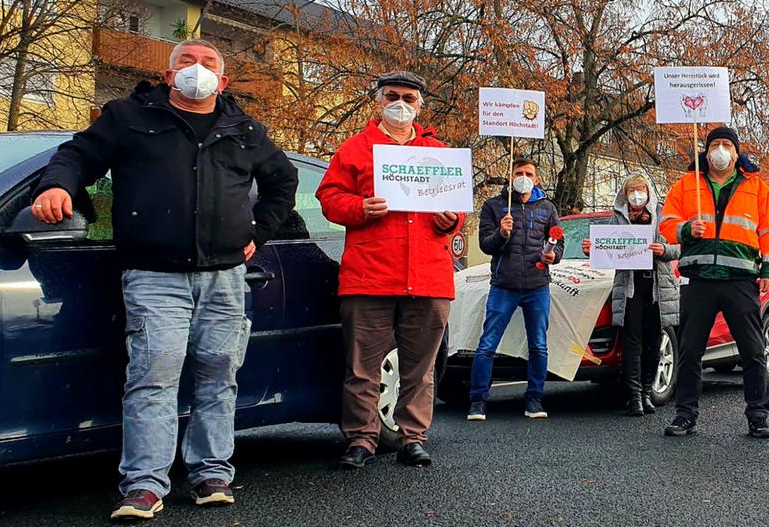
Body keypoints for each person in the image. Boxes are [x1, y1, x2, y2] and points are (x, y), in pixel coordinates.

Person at [30, 39, 298, 521]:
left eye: (209, 63)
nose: (198, 69)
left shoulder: (245, 129)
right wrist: (55, 185)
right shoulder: (128, 117)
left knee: (219, 376)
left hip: (225, 277)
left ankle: (212, 473)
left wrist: (258, 231)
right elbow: (76, 157)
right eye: (187, 62)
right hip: (154, 276)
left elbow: (283, 181)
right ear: (169, 75)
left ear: (224, 80)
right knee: (154, 377)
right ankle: (144, 485)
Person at [317, 72, 463, 470]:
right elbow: (329, 197)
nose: (401, 103)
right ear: (378, 101)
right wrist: (359, 208)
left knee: (420, 368)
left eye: (409, 98)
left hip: (429, 276)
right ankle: (361, 438)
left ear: (420, 105)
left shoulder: (438, 151)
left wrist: (451, 219)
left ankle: (412, 437)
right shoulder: (355, 148)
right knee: (363, 367)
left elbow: (457, 209)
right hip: (369, 275)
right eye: (393, 96)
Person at [658, 126, 769, 439]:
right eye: (716, 144)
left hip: (739, 279)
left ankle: (758, 416)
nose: (721, 150)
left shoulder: (756, 186)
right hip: (698, 278)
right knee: (689, 352)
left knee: (753, 351)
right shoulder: (687, 183)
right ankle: (685, 415)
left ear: (737, 151)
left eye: (727, 144)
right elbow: (667, 223)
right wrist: (687, 230)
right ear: (706, 150)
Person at [471, 156, 564, 420]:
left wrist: (553, 255)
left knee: (538, 345)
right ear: (511, 177)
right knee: (487, 344)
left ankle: (534, 400)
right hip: (504, 285)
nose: (523, 177)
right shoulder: (494, 206)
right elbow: (485, 245)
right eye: (519, 172)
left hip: (537, 286)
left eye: (528, 173)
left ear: (537, 179)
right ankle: (477, 401)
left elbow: (559, 241)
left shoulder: (547, 207)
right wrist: (501, 233)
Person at [582, 174, 680, 416]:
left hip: (658, 287)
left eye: (641, 189)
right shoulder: (618, 218)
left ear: (649, 191)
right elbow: (606, 250)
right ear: (625, 194)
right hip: (630, 287)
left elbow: (681, 245)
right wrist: (591, 250)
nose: (637, 195)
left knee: (654, 343)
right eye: (632, 191)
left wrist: (665, 249)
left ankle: (648, 392)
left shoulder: (662, 214)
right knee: (632, 343)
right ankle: (634, 396)